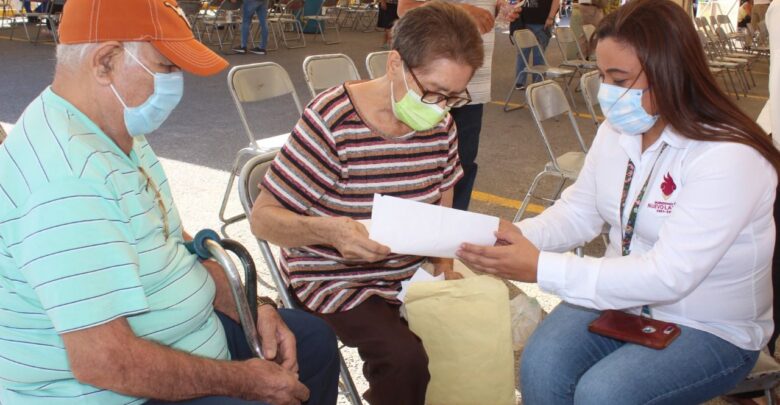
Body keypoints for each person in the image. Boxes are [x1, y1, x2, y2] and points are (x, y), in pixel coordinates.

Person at [0, 1, 340, 404]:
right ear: (105, 61)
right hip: (108, 391)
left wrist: (255, 307)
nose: (176, 83)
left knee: (313, 342)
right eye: (166, 67)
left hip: (181, 337)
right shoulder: (66, 182)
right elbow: (104, 361)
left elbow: (173, 243)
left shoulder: (110, 127)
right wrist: (245, 381)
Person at [457, 0, 780, 403]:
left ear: (670, 74)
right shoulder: (621, 129)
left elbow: (669, 276)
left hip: (707, 323)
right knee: (540, 363)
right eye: (602, 74)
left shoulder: (728, 155)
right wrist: (514, 236)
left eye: (619, 78)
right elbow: (581, 210)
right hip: (620, 298)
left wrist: (541, 266)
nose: (607, 92)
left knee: (605, 393)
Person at [250, 3, 483, 404]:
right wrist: (332, 231)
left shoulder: (439, 122)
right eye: (431, 91)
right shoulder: (333, 120)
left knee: (476, 329)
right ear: (395, 63)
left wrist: (443, 265)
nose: (439, 107)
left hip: (409, 268)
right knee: (404, 358)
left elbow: (444, 190)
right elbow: (263, 220)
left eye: (452, 97)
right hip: (335, 276)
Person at [399, 0, 516, 211]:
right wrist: (461, 12)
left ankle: (451, 229)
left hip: (473, 91)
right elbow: (406, 8)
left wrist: (497, 13)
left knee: (462, 167)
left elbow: (482, 18)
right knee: (417, 165)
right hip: (432, 87)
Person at [511, 0, 561, 90]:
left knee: (539, 54)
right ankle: (520, 82)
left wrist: (551, 17)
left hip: (543, 23)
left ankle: (537, 82)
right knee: (522, 53)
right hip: (524, 21)